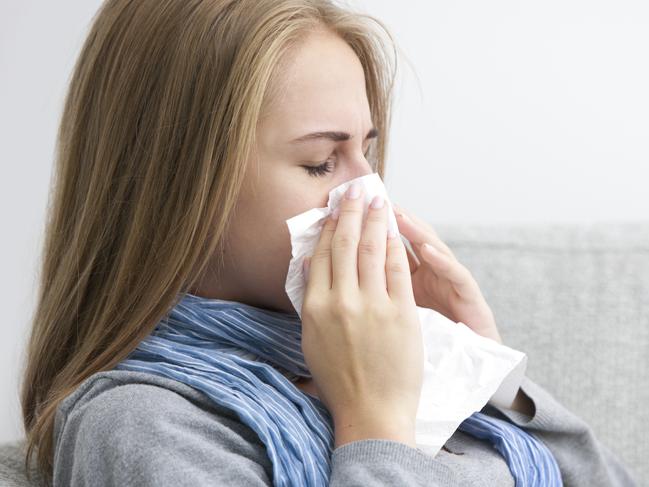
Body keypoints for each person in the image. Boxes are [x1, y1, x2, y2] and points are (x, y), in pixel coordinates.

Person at [19, 1, 637, 486]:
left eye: (365, 152)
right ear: (179, 189)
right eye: (320, 162)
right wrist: (374, 427)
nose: (371, 196)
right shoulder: (145, 425)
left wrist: (487, 372)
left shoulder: (388, 367)